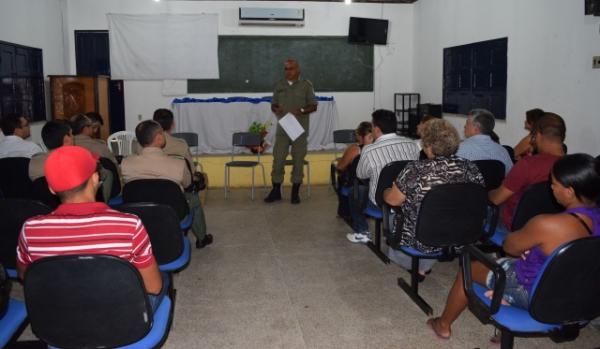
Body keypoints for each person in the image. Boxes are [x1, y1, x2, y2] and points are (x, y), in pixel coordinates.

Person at [428, 153, 600, 339]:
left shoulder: (548, 224)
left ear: (570, 191)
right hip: (580, 295)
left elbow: (509, 247)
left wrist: (530, 244)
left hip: (537, 296)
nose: (551, 187)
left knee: (469, 268)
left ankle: (443, 324)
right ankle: (505, 311)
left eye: (554, 184)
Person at [16, 146, 166, 309]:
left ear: (51, 189)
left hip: (60, 317)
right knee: (162, 279)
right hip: (121, 319)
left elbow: (26, 276)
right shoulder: (129, 225)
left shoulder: (30, 229)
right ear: (95, 179)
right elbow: (153, 287)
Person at [384, 119, 484, 274]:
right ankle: (425, 264)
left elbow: (392, 200)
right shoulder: (471, 167)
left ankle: (416, 266)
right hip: (463, 235)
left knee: (391, 217)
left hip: (423, 240)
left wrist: (386, 191)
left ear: (429, 146)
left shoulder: (416, 169)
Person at [121, 120, 212, 249]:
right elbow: (187, 185)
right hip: (172, 212)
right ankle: (202, 238)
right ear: (158, 138)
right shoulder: (178, 164)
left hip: (138, 212)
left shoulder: (126, 163)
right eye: (162, 134)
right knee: (194, 198)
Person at [489, 112, 566, 242]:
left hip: (515, 227)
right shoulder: (574, 166)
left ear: (539, 136)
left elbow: (496, 199)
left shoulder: (527, 165)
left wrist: (486, 193)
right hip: (555, 227)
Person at [346, 109, 420, 243]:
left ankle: (362, 231)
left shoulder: (369, 149)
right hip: (408, 199)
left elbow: (361, 175)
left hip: (381, 202)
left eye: (372, 126)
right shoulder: (412, 144)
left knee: (355, 191)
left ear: (377, 129)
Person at [264, 58, 318, 205]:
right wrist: (276, 108)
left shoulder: (306, 85)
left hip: (299, 130)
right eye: (286, 69)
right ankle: (276, 190)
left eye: (291, 68)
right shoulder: (279, 85)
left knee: (298, 160)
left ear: (298, 70)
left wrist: (301, 110)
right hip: (283, 129)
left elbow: (313, 106)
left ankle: (295, 192)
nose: (288, 72)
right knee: (278, 159)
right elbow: (273, 104)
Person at [335, 121, 373, 221]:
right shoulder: (379, 148)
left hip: (356, 184)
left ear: (359, 136)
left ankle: (344, 210)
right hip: (373, 184)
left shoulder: (355, 149)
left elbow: (340, 167)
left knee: (340, 175)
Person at [456, 109, 513, 174]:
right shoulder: (503, 151)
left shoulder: (459, 149)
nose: (465, 126)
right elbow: (511, 176)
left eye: (467, 123)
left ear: (476, 127)